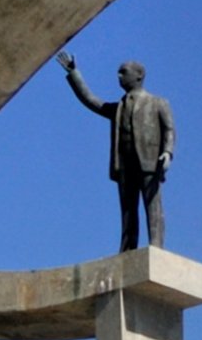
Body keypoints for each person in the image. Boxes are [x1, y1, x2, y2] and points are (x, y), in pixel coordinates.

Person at [60, 56, 174, 252]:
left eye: (123, 72)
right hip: (125, 164)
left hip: (149, 161)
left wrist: (167, 152)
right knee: (128, 209)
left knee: (152, 206)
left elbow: (169, 129)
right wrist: (73, 73)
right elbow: (91, 100)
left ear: (139, 76)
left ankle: (156, 245)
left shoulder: (157, 103)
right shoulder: (118, 107)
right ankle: (128, 246)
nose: (119, 76)